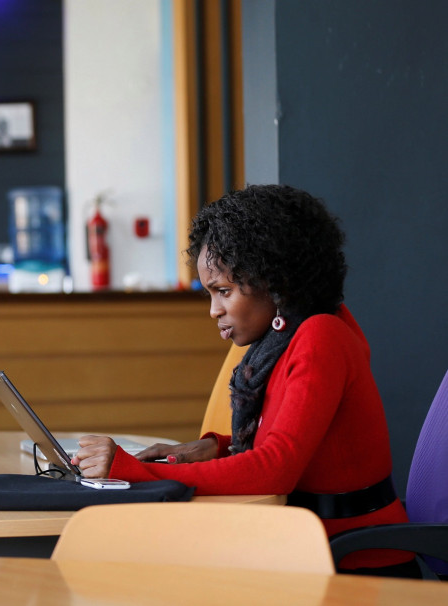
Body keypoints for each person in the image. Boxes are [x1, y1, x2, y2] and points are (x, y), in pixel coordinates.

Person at [72, 184, 414, 575]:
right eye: (210, 295)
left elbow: (274, 468)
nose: (214, 311)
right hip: (308, 547)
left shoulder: (322, 336)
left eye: (224, 291)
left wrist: (134, 473)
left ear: (275, 281)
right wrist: (213, 448)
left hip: (357, 564)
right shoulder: (284, 340)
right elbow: (283, 441)